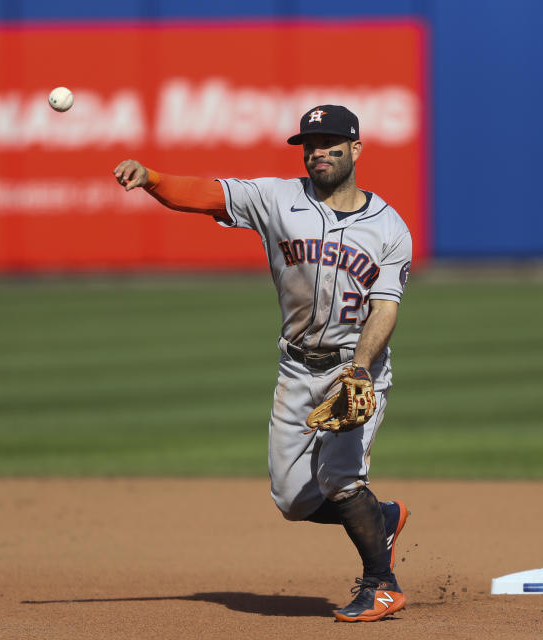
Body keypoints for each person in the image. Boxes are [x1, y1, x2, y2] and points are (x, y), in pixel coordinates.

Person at [113, 104, 413, 622]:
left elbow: (384, 309)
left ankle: (381, 584)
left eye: (330, 143)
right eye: (310, 145)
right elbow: (207, 194)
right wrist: (153, 179)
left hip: (353, 370)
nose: (318, 152)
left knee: (340, 478)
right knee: (292, 500)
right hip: (297, 369)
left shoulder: (389, 228)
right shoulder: (277, 198)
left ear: (356, 149)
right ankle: (380, 516)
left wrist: (360, 370)